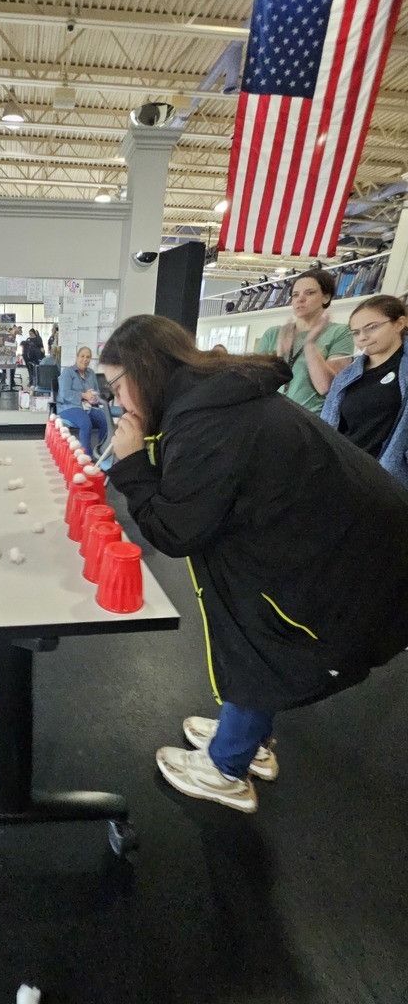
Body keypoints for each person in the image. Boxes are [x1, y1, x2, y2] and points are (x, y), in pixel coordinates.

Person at [100, 314, 408, 814]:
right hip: (346, 538)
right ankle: (248, 737)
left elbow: (177, 531)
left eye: (116, 386)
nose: (117, 401)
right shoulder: (215, 396)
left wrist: (132, 463)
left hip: (349, 557)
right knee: (255, 623)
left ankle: (227, 767)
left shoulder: (207, 421)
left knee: (264, 632)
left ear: (143, 370)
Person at [321, 295, 408, 488]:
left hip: (388, 480)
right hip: (347, 471)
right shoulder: (347, 376)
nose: (362, 337)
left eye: (372, 327)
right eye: (356, 332)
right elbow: (330, 424)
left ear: (399, 323)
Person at [257, 268, 353, 413]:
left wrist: (309, 345)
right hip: (272, 415)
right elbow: (257, 382)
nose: (300, 299)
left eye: (309, 293)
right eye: (295, 295)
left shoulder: (340, 332)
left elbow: (325, 387)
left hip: (310, 420)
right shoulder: (273, 333)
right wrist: (278, 357)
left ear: (326, 297)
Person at [56, 346, 109, 457]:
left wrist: (94, 397)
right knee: (86, 424)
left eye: (88, 357)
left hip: (87, 407)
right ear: (77, 357)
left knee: (104, 421)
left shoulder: (91, 373)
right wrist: (84, 395)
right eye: (82, 356)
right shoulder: (68, 372)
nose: (85, 359)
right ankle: (87, 457)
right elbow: (65, 394)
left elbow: (96, 392)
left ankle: (102, 453)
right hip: (68, 407)